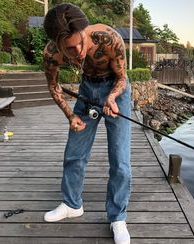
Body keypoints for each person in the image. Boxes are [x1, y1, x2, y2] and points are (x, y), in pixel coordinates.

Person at [43, 3, 131, 244]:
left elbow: (122, 77)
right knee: (74, 153)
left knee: (120, 160)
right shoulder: (51, 54)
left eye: (81, 41)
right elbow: (54, 87)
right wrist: (70, 116)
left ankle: (117, 218)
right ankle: (72, 204)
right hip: (86, 90)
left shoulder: (109, 39)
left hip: (116, 91)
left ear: (85, 29)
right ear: (57, 44)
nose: (79, 51)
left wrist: (112, 98)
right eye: (70, 49)